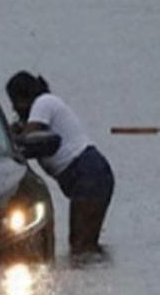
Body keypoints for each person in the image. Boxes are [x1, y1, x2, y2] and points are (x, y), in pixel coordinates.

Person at [6, 71, 114, 254]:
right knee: (85, 245)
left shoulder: (44, 102)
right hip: (92, 174)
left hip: (88, 173)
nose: (14, 109)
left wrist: (7, 137)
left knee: (80, 245)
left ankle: (92, 277)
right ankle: (97, 274)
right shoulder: (43, 107)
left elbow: (30, 136)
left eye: (14, 102)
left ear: (23, 97)